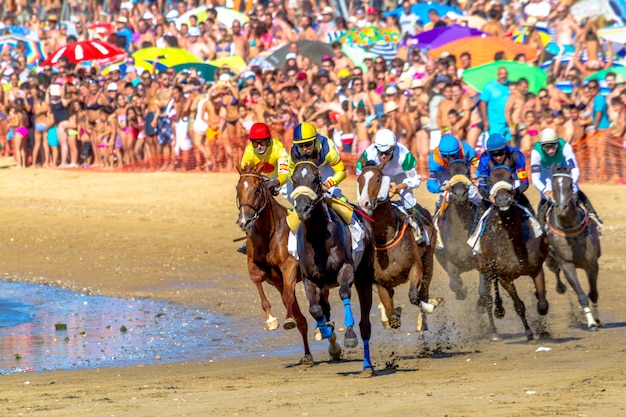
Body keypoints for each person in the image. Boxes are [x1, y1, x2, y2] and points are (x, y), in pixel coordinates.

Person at [355, 129, 426, 244]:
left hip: (400, 176)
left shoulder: (404, 155)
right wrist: (384, 186)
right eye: (380, 152)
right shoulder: (369, 154)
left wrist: (399, 187)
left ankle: (418, 230)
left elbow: (416, 180)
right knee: (366, 200)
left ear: (393, 149)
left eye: (387, 152)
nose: (383, 156)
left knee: (408, 200)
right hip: (379, 176)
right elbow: (360, 176)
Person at [531, 128, 602, 228]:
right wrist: (545, 191)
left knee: (575, 190)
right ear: (542, 147)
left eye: (553, 146)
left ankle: (592, 215)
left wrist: (572, 183)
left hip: (562, 167)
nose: (551, 150)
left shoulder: (565, 146)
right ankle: (540, 224)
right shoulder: (536, 152)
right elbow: (535, 178)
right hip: (546, 171)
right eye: (547, 148)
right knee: (545, 197)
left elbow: (575, 169)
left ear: (557, 144)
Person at [236, 122, 290, 254]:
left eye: (262, 143)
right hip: (261, 181)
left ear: (269, 141)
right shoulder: (249, 151)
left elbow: (285, 173)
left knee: (299, 203)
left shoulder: (279, 148)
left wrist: (275, 182)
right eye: (255, 143)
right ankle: (249, 236)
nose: (258, 146)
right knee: (249, 200)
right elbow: (246, 175)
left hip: (282, 181)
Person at [426, 134, 481, 247]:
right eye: (445, 156)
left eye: (453, 155)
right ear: (441, 153)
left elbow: (482, 166)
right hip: (446, 178)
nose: (449, 158)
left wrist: (475, 174)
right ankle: (438, 234)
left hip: (463, 176)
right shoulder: (435, 159)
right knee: (442, 203)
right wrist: (441, 188)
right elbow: (430, 183)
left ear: (458, 150)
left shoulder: (467, 150)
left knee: (477, 200)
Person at [476, 133, 534, 215]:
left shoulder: (515, 155)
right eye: (494, 154)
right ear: (489, 153)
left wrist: (515, 192)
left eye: (501, 153)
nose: (498, 157)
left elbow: (524, 182)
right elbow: (482, 186)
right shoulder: (485, 159)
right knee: (478, 215)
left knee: (532, 215)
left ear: (505, 149)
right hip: (492, 192)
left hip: (512, 190)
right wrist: (489, 196)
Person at [288, 121, 346, 197]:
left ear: (315, 141)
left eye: (308, 144)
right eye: (300, 145)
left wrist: (328, 184)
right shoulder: (294, 152)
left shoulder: (328, 149)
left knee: (329, 194)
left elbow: (341, 171)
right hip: (306, 168)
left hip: (325, 165)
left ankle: (342, 201)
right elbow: (291, 174)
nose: (304, 149)